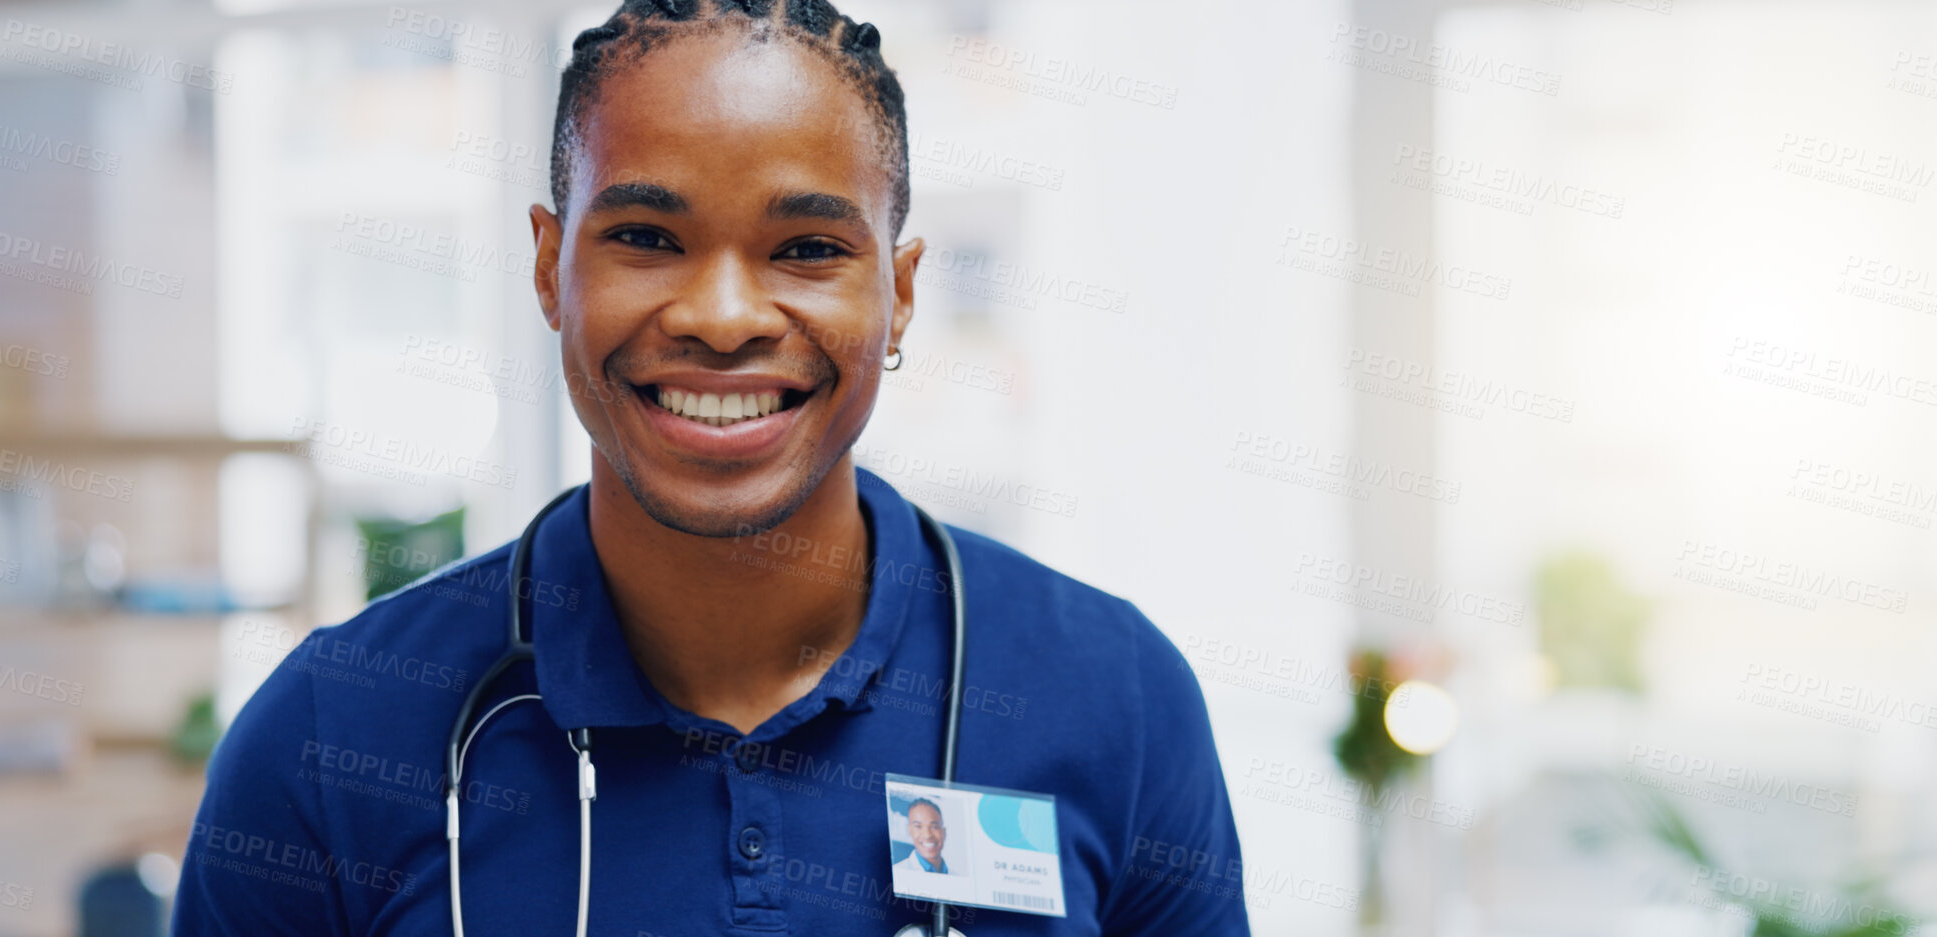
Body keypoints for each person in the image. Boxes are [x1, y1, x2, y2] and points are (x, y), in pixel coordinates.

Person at [171, 0, 1249, 934]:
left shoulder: (1116, 699)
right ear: (551, 267)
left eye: (809, 250)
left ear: (902, 292)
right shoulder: (329, 734)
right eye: (645, 237)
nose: (723, 318)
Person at [893, 799, 950, 876]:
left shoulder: (959, 877)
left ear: (944, 832)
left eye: (934, 827)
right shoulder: (897, 872)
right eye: (918, 826)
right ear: (909, 831)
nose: (927, 835)